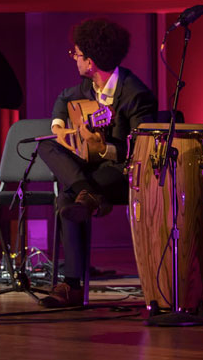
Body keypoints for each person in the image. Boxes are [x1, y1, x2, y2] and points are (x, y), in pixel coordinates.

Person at [37, 18, 157, 307]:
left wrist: (103, 148)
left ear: (90, 62)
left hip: (124, 171)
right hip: (91, 171)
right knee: (46, 144)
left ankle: (72, 286)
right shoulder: (87, 86)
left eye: (76, 54)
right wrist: (58, 127)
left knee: (67, 201)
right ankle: (87, 192)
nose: (74, 58)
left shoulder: (135, 95)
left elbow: (141, 151)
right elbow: (62, 99)